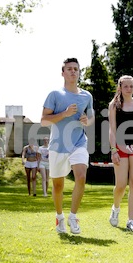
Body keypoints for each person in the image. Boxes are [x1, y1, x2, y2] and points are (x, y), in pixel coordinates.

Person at [41, 57, 94, 235]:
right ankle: (60, 216)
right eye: (69, 69)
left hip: (79, 142)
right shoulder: (55, 94)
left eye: (76, 69)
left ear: (79, 73)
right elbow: (44, 120)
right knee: (58, 186)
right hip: (57, 145)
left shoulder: (87, 96)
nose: (73, 71)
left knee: (80, 176)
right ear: (63, 72)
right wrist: (64, 114)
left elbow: (91, 118)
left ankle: (73, 216)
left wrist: (87, 121)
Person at [108, 75, 133, 231]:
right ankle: (116, 208)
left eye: (131, 86)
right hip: (120, 146)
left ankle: (130, 220)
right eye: (126, 86)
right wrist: (113, 150)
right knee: (121, 185)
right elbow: (111, 130)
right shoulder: (114, 105)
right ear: (120, 87)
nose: (129, 89)